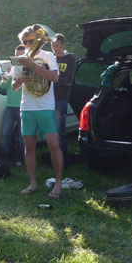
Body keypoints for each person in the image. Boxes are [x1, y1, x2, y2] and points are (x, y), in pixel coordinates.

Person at [12, 25, 63, 197]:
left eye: (31, 41)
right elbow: (14, 87)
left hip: (45, 106)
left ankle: (58, 183)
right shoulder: (20, 59)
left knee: (53, 144)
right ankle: (32, 184)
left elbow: (54, 77)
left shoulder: (48, 56)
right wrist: (21, 80)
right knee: (29, 147)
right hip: (27, 107)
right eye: (25, 42)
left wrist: (33, 66)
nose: (28, 44)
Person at [51, 33, 77, 169]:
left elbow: (69, 80)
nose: (55, 48)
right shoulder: (50, 58)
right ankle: (54, 161)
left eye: (57, 45)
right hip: (49, 99)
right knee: (51, 133)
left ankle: (63, 162)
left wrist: (55, 79)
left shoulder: (70, 59)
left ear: (63, 45)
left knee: (59, 133)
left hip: (61, 99)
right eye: (53, 46)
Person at [0, 43, 26, 167]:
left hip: (22, 107)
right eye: (16, 56)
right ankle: (3, 160)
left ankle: (19, 159)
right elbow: (2, 87)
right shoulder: (11, 70)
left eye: (21, 56)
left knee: (20, 136)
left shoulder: (28, 70)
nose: (18, 59)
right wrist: (6, 75)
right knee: (5, 134)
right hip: (9, 107)